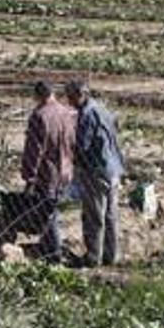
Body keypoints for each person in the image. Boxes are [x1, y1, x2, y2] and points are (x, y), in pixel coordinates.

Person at [65, 80, 125, 267]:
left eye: (70, 97)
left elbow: (83, 146)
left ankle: (93, 257)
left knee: (94, 215)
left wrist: (69, 158)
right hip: (113, 168)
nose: (69, 102)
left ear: (79, 95)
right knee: (110, 215)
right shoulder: (103, 109)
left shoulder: (86, 115)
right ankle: (111, 255)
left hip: (97, 171)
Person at [20, 81, 76, 263]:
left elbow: (33, 150)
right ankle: (47, 247)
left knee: (47, 213)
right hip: (65, 171)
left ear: (37, 96)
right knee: (53, 208)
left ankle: (54, 253)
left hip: (47, 173)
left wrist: (29, 176)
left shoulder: (39, 116)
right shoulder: (66, 113)